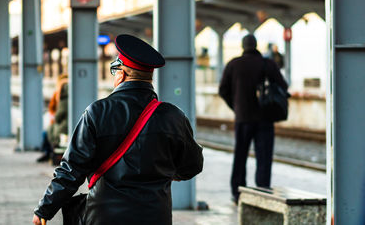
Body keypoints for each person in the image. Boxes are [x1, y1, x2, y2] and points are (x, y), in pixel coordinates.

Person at [33, 34, 204, 225]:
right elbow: (193, 165)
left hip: (105, 216)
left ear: (121, 74)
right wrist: (163, 174)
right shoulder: (173, 116)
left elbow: (71, 170)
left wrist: (45, 208)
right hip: (155, 216)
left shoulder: (97, 112)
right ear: (150, 78)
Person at [219, 34, 287, 204]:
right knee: (264, 157)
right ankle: (262, 191)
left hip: (243, 118)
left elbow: (222, 90)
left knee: (240, 155)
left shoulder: (234, 64)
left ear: (243, 46)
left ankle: (237, 192)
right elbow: (283, 86)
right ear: (256, 46)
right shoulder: (267, 64)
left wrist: (235, 106)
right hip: (265, 118)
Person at [37, 74, 68, 163]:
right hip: (67, 125)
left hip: (63, 127)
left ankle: (48, 152)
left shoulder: (62, 99)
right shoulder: (69, 97)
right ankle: (48, 152)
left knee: (47, 132)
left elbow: (57, 116)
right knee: (49, 131)